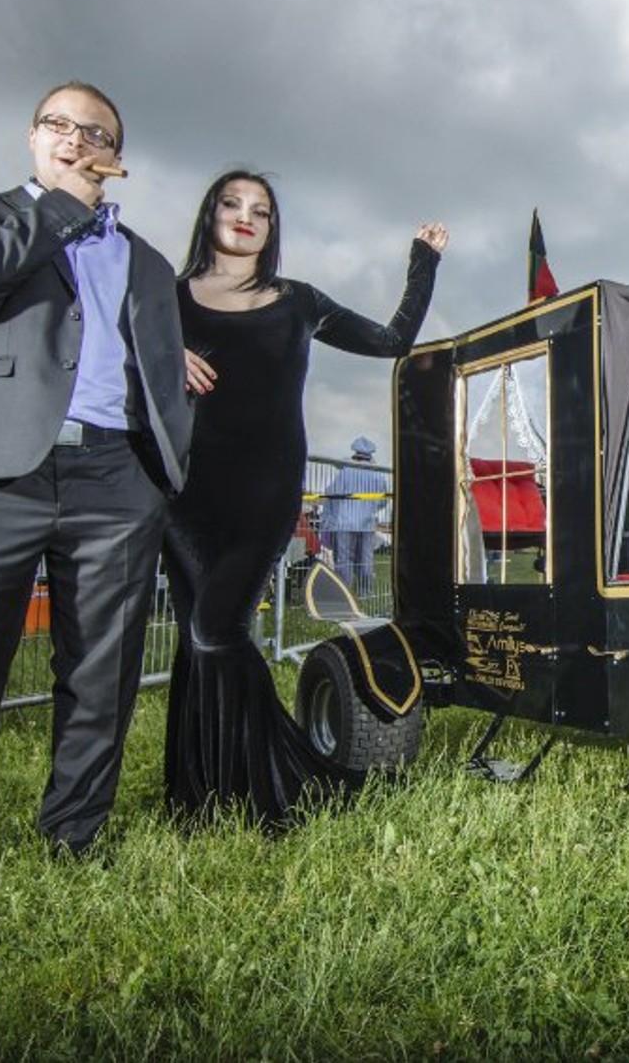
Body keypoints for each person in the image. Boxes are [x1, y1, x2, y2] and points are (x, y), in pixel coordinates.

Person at [0, 82, 192, 891]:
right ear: (32, 137)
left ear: (117, 156)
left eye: (94, 132)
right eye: (59, 125)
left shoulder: (150, 262)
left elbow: (160, 368)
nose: (75, 138)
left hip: (116, 478)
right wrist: (61, 206)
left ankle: (74, 834)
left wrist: (163, 465)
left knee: (103, 666)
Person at [166, 169, 446, 828]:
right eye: (232, 204)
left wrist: (422, 264)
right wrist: (161, 353)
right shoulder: (168, 299)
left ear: (272, 227)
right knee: (192, 637)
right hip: (183, 489)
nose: (245, 216)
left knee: (217, 629)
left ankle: (278, 776)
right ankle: (200, 797)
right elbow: (106, 345)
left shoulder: (298, 300)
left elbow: (391, 341)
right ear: (209, 214)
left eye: (260, 210)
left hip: (265, 488)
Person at [324, 436, 389, 596]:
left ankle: (344, 593)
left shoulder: (345, 473)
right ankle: (365, 592)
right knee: (366, 559)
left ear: (355, 454)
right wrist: (370, 508)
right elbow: (383, 502)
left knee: (344, 560)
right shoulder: (378, 476)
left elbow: (331, 494)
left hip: (344, 523)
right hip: (366, 524)